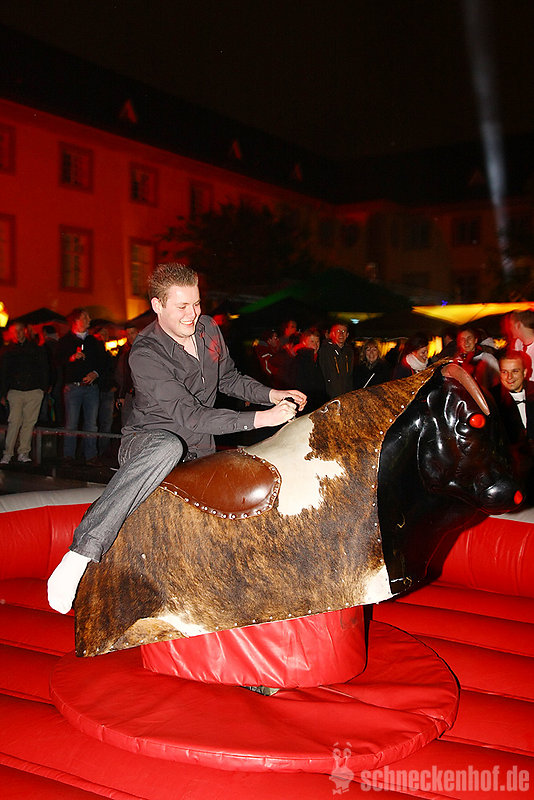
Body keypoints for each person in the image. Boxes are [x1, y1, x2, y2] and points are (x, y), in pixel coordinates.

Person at [47, 263, 306, 615]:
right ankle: (80, 553)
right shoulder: (145, 353)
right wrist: (263, 418)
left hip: (199, 447)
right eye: (182, 307)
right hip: (148, 443)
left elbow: (228, 378)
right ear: (158, 305)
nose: (192, 314)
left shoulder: (208, 328)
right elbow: (190, 415)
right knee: (168, 445)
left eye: (196, 304)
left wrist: (272, 394)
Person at [55, 309, 107, 463]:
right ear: (76, 321)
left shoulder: (94, 342)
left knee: (91, 423)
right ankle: (68, 455)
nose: (88, 320)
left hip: (91, 388)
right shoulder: (65, 341)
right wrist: (71, 358)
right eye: (85, 317)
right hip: (73, 387)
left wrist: (95, 373)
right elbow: (57, 361)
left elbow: (103, 362)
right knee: (71, 422)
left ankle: (91, 455)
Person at [0, 321, 49, 464]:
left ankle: (23, 452)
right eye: (15, 331)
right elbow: (3, 373)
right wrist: (3, 393)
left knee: (29, 422)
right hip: (16, 390)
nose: (18, 333)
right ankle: (8, 453)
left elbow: (44, 368)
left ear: (25, 331)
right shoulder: (8, 351)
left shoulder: (35, 348)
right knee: (14, 422)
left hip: (33, 390)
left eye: (20, 330)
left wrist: (43, 388)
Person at [490, 350, 534, 499]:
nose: (509, 377)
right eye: (504, 372)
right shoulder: (491, 399)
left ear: (525, 372)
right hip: (510, 476)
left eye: (515, 371)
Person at [290, 329, 327, 412]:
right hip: (307, 405)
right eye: (312, 341)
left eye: (317, 342)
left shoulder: (316, 358)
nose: (315, 345)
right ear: (304, 343)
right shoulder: (301, 359)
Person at [318, 322, 354, 399]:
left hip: (346, 396)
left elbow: (350, 375)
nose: (341, 334)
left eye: (343, 331)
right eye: (338, 331)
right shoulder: (324, 350)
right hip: (329, 396)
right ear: (333, 334)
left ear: (347, 335)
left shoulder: (349, 352)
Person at [115, 325, 139, 426]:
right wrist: (121, 395)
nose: (130, 336)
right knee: (127, 423)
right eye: (128, 334)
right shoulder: (126, 353)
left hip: (142, 394)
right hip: (130, 394)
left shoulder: (146, 350)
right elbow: (124, 376)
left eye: (132, 333)